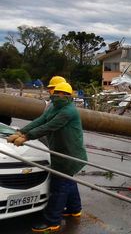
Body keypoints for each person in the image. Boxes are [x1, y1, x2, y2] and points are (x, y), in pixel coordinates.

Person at [7, 82, 88, 232]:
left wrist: (26, 137)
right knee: (68, 182)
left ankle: (52, 221)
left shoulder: (68, 111)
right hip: (63, 152)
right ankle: (74, 209)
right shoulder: (54, 107)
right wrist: (21, 132)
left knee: (59, 186)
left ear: (67, 96)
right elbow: (41, 120)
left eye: (60, 93)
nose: (56, 95)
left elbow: (49, 126)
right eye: (55, 92)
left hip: (69, 155)